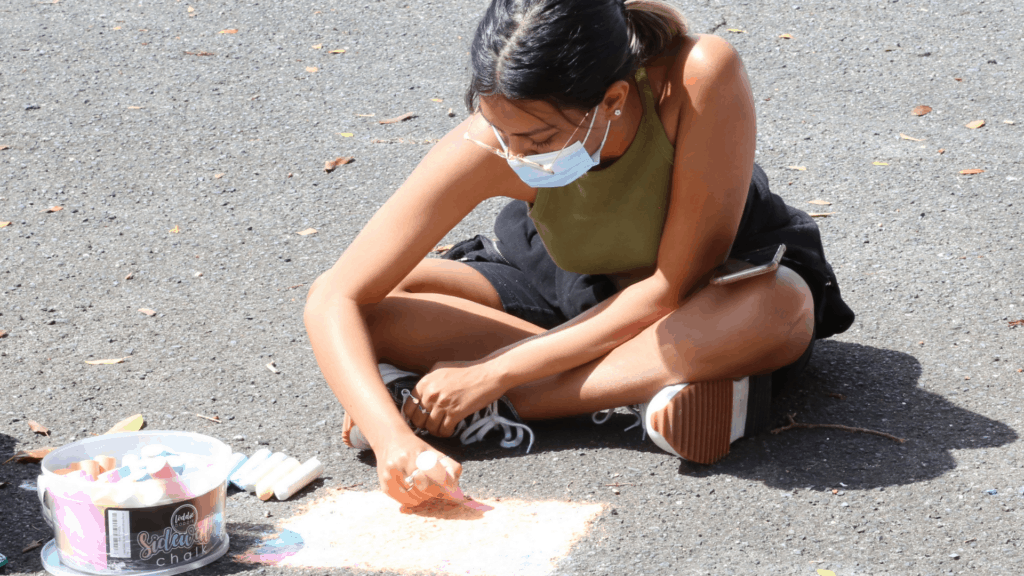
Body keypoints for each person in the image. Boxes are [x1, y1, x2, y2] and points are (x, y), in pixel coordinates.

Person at [304, 0, 855, 507]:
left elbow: (670, 286)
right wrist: (392, 437)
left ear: (612, 99)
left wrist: (494, 375)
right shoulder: (491, 142)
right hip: (572, 281)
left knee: (777, 308)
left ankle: (525, 401)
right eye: (500, 132)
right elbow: (336, 294)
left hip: (701, 292)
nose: (516, 155)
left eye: (539, 141)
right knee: (381, 305)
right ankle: (643, 391)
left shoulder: (696, 76)